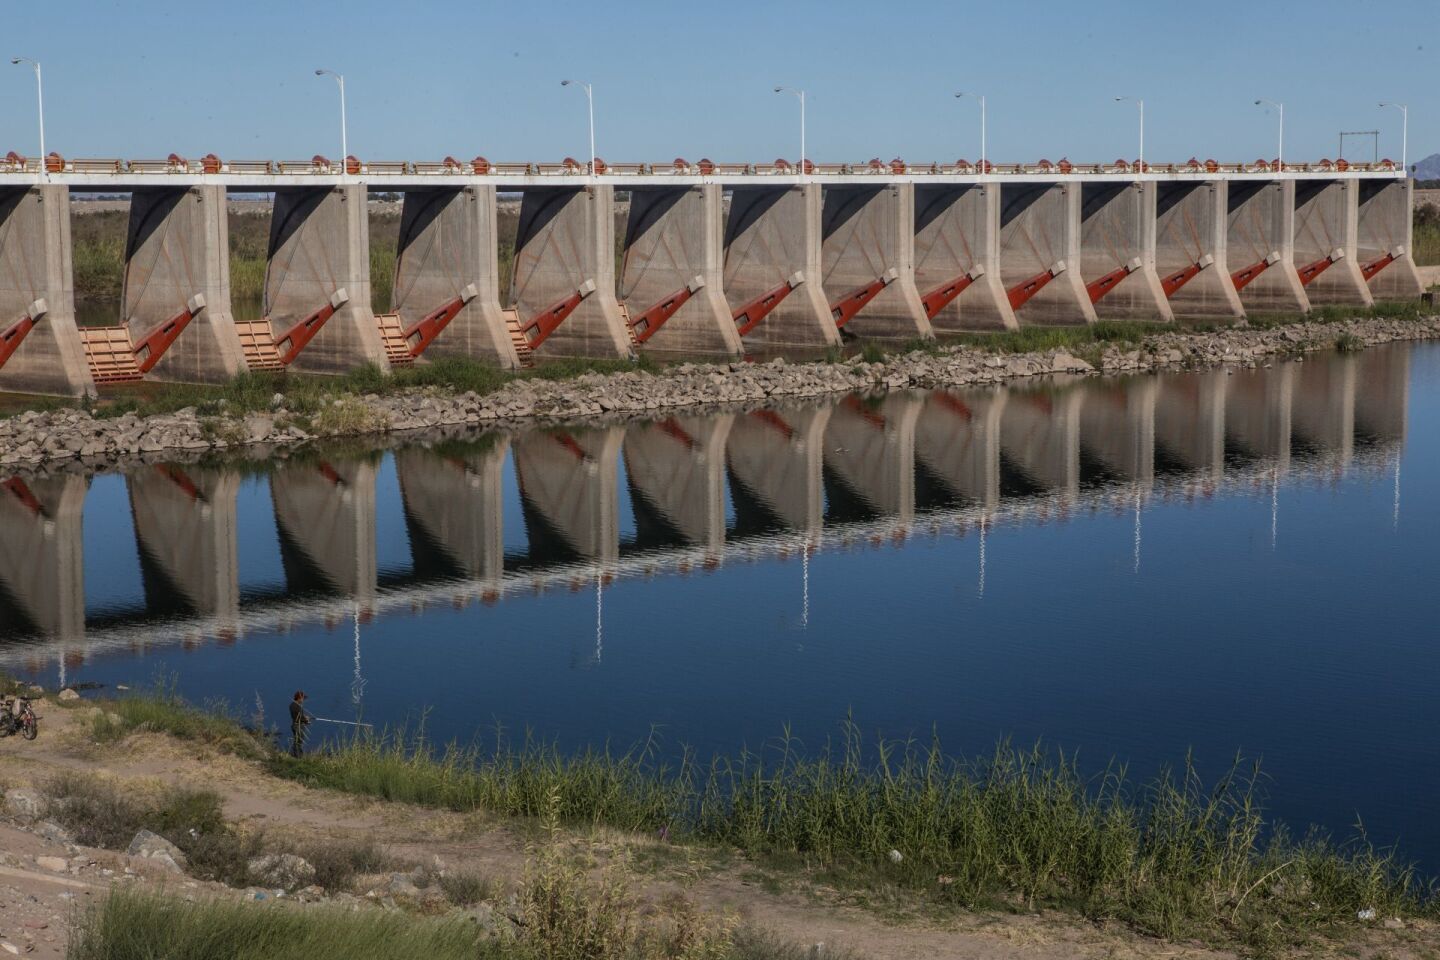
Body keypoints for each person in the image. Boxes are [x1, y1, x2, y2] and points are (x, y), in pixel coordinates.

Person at [289, 690, 312, 757]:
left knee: (296, 741)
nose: (303, 700)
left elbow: (298, 716)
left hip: (294, 725)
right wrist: (307, 720)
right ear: (299, 698)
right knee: (299, 742)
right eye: (303, 698)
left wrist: (305, 718)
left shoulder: (292, 705)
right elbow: (301, 718)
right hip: (298, 727)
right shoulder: (298, 706)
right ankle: (298, 756)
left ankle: (296, 755)